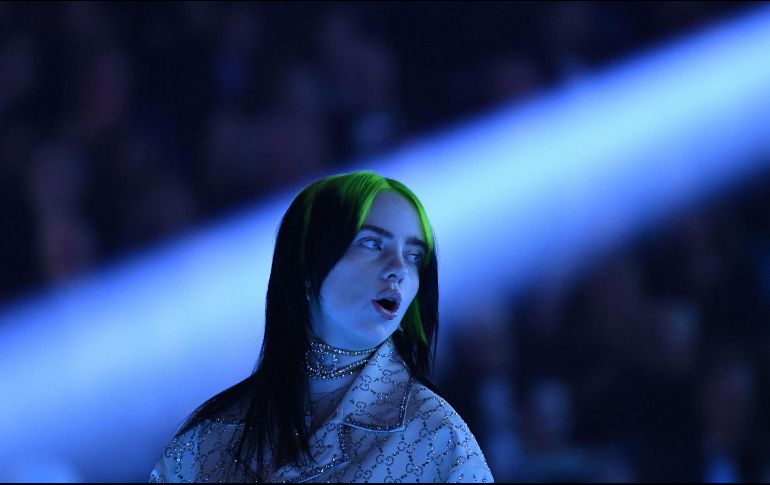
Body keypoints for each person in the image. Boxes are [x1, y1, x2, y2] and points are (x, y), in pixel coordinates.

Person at [149, 170, 493, 482]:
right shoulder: (207, 440)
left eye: (414, 256)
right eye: (372, 243)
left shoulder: (438, 440)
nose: (399, 269)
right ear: (306, 260)